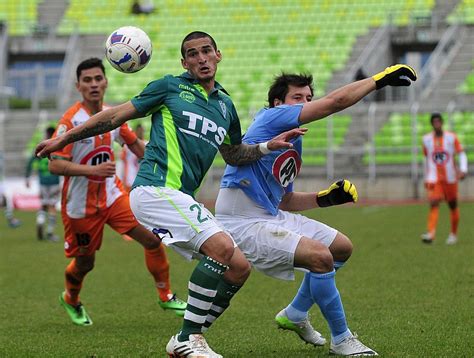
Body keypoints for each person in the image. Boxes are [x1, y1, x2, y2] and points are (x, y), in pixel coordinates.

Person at [35, 32, 306, 358]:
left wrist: (265, 147)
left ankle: (189, 338)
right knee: (219, 249)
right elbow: (112, 117)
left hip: (181, 197)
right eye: (193, 54)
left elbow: (233, 155)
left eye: (206, 51)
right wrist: (61, 141)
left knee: (238, 267)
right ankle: (187, 338)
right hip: (154, 189)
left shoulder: (225, 106)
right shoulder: (168, 87)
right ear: (184, 63)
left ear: (218, 55)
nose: (201, 58)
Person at [215, 68, 416, 356]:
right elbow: (336, 102)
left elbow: (285, 201)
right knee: (320, 257)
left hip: (269, 214)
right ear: (277, 104)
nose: (304, 103)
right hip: (242, 220)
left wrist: (326, 198)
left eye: (308, 98)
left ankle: (295, 313)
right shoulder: (270, 118)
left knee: (341, 249)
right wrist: (378, 81)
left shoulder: (293, 140)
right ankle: (342, 339)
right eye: (297, 98)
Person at [45, 57, 187, 326]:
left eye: (98, 78)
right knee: (85, 264)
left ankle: (165, 295)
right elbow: (55, 165)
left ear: (106, 82)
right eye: (88, 80)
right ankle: (71, 298)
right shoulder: (70, 121)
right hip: (80, 206)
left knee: (153, 239)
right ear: (78, 86)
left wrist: (167, 161)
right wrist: (91, 172)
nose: (94, 84)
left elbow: (136, 147)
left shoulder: (113, 116)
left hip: (113, 197)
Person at [421, 113, 467, 245]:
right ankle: (430, 233)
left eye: (438, 121)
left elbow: (461, 153)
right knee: (434, 202)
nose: (436, 124)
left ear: (442, 123)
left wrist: (463, 170)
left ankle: (453, 234)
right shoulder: (426, 139)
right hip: (435, 178)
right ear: (432, 124)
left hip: (450, 177)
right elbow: (426, 158)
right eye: (434, 122)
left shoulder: (451, 138)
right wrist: (426, 176)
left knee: (452, 204)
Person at [25, 126, 61, 241]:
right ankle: (50, 233)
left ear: (46, 134)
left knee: (43, 204)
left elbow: (31, 161)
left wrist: (27, 177)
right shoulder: (58, 146)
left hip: (42, 181)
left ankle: (40, 221)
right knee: (52, 206)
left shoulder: (41, 147)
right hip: (54, 180)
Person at [120, 123, 144, 192]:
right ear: (135, 131)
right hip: (129, 180)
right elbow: (123, 163)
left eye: (141, 131)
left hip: (142, 180)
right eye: (139, 130)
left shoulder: (146, 144)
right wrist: (123, 178)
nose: (140, 132)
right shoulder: (127, 147)